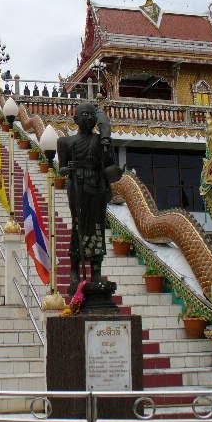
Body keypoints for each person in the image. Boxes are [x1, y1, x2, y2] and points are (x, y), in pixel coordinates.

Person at [57, 103, 119, 293]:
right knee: (78, 225)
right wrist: (68, 169)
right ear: (75, 119)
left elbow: (110, 165)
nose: (88, 118)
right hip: (77, 185)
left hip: (96, 185)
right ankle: (74, 269)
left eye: (91, 115)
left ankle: (96, 270)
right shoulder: (65, 142)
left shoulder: (101, 140)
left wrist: (107, 145)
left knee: (97, 228)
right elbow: (61, 168)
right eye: (83, 115)